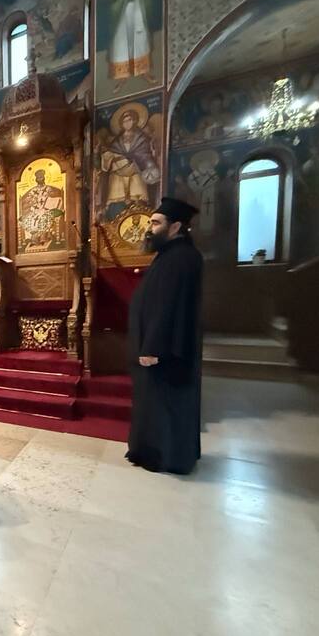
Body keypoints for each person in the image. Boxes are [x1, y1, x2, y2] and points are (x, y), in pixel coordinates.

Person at [126, 197, 203, 475]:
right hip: (162, 347)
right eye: (150, 222)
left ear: (175, 226)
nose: (150, 228)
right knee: (155, 403)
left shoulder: (181, 258)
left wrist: (152, 347)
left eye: (156, 223)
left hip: (165, 350)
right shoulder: (171, 254)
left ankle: (165, 456)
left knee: (166, 404)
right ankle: (154, 451)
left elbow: (168, 307)